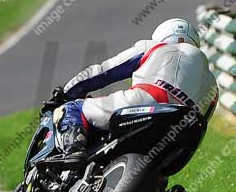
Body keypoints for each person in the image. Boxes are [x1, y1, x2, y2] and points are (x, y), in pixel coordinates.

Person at [41, 18, 219, 167]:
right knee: (159, 177)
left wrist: (65, 93)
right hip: (185, 133)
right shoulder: (213, 83)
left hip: (148, 101)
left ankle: (74, 150)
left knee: (72, 108)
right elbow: (204, 120)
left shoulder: (154, 46)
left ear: (161, 36)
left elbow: (104, 71)